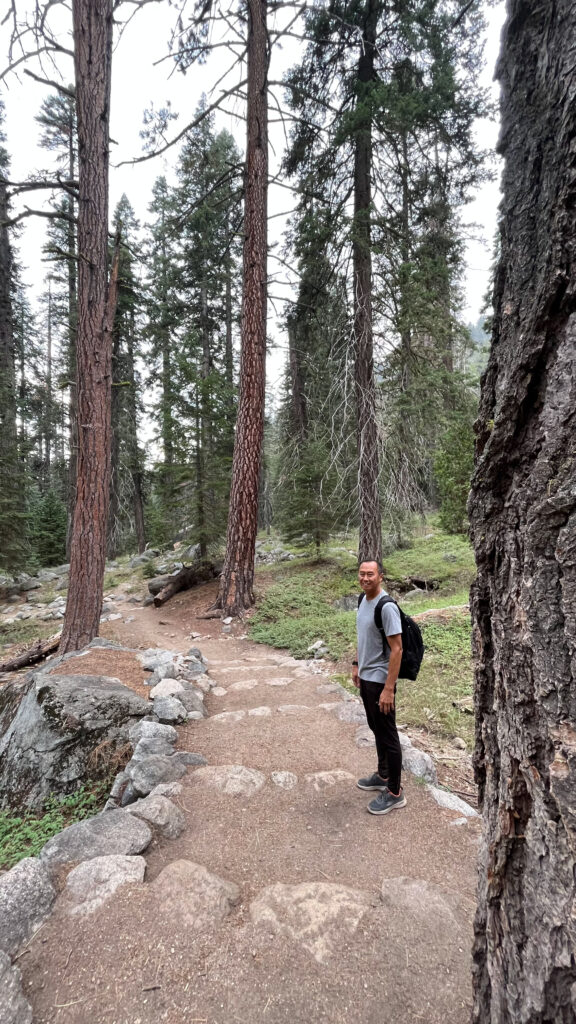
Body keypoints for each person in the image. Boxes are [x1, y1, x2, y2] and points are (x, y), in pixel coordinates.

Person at [352, 559, 406, 815]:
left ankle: (395, 792)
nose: (365, 578)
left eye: (370, 574)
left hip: (380, 681)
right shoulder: (362, 600)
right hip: (367, 677)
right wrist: (355, 664)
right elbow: (362, 636)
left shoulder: (387, 607)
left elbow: (397, 649)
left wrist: (389, 689)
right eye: (362, 574)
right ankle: (383, 775)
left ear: (380, 576)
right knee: (376, 728)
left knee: (388, 734)